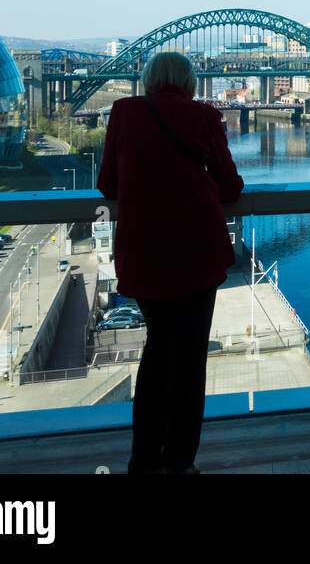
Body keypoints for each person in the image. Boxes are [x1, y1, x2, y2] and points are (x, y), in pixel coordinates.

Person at [97, 51, 244, 475]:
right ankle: (180, 463)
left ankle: (142, 460)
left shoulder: (123, 112)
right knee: (189, 361)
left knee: (157, 354)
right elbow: (231, 187)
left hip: (143, 256)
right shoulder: (204, 116)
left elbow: (107, 183)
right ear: (189, 81)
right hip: (198, 254)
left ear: (148, 79)